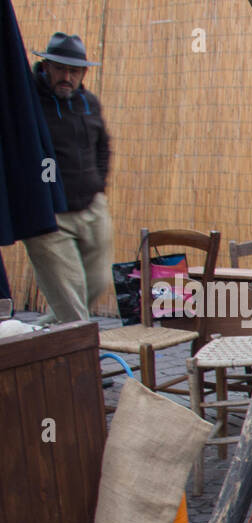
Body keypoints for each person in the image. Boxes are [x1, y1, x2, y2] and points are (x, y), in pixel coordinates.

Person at [22, 32, 112, 327]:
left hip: (90, 207)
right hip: (49, 216)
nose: (66, 76)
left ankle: (45, 333)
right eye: (60, 68)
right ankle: (83, 366)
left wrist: (98, 187)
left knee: (97, 281)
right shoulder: (27, 103)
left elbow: (103, 146)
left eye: (74, 71)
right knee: (72, 300)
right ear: (46, 66)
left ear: (84, 72)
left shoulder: (88, 103)